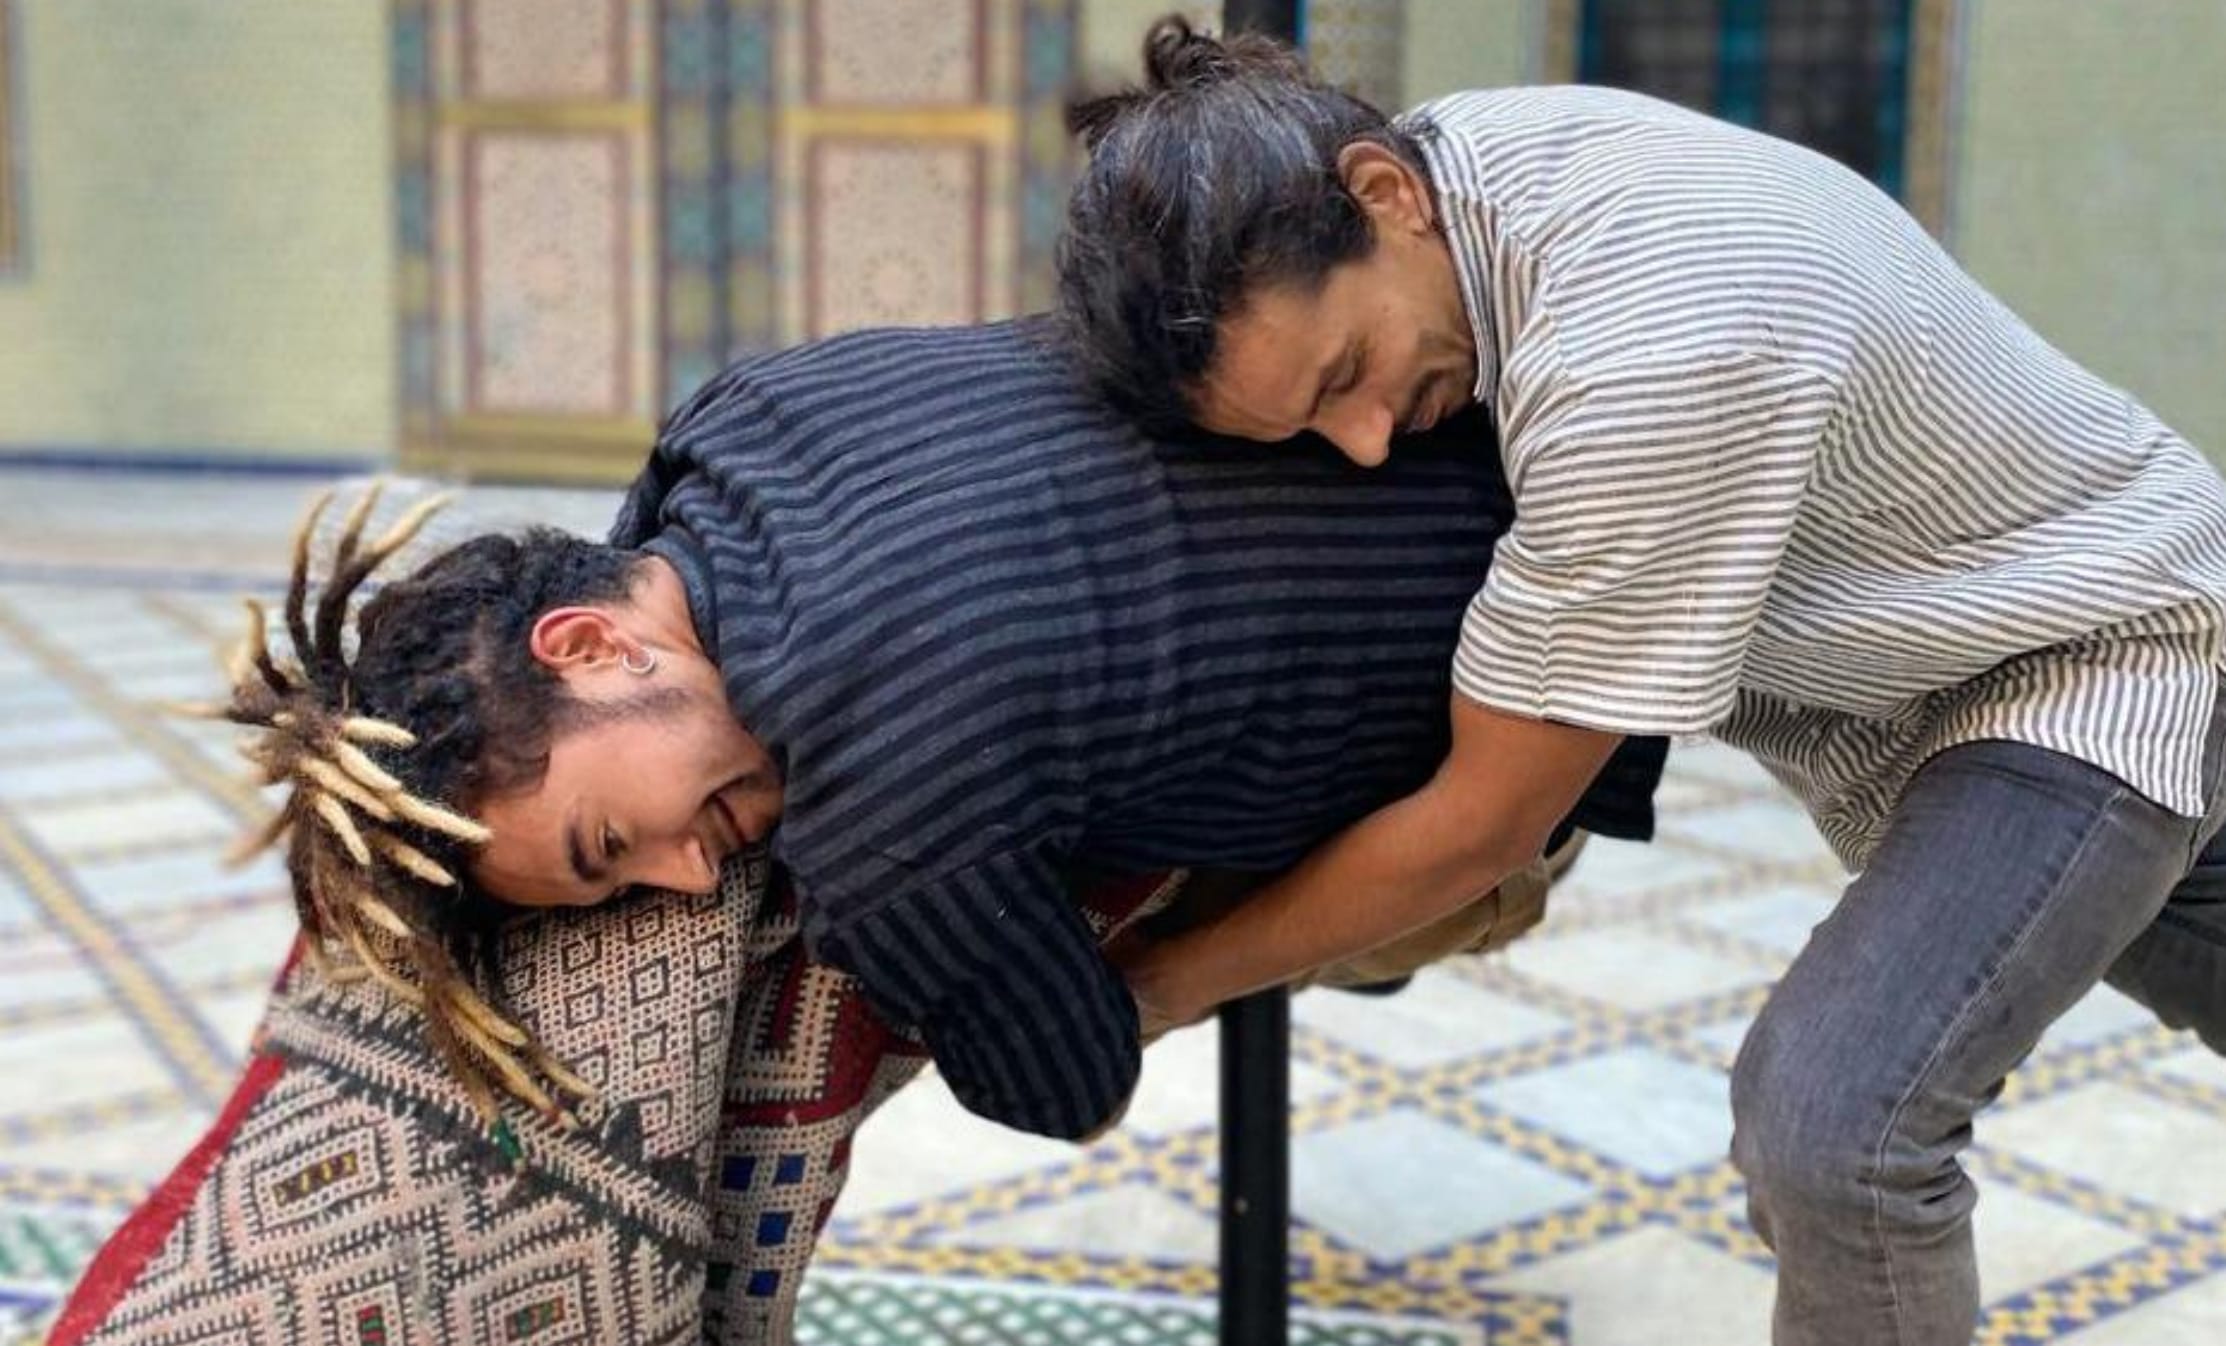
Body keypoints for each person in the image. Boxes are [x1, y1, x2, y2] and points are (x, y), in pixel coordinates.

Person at [53, 318, 1666, 1344]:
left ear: (590, 645)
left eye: (615, 842)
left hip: (1534, 713)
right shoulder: (728, 411)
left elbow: (1063, 1075)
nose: (690, 867)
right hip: (1491, 451)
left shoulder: (887, 811)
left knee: (866, 959)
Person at [1053, 18, 2226, 1346]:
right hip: (1995, 630)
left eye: (1348, 376)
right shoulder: (1469, 158)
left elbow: (1481, 821)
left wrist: (1159, 982)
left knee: (1833, 1125)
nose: (1366, 444)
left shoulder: (1646, 359)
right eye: (1306, 427)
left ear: (1383, 193)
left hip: (2086, 653)